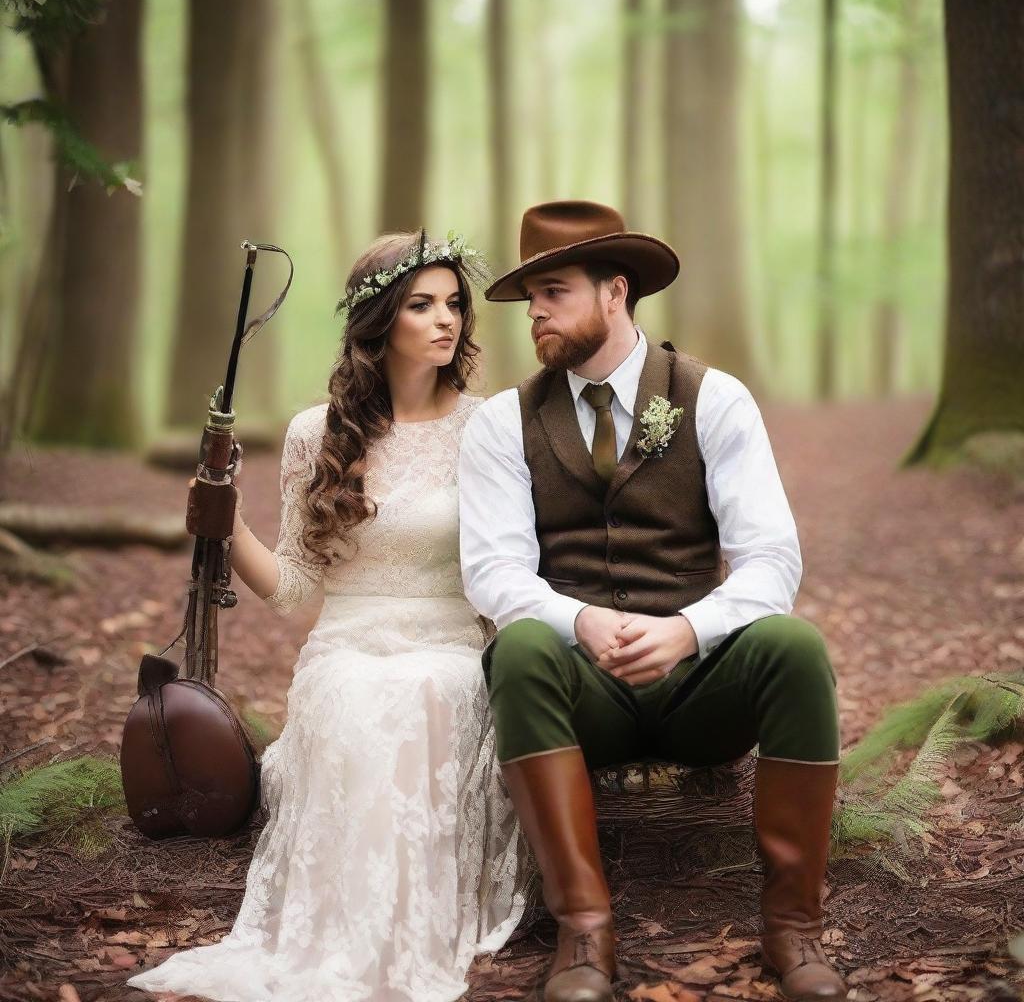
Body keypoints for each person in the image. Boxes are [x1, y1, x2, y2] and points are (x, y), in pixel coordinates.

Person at [458, 200, 848, 1002]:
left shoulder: (716, 398)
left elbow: (772, 559)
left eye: (554, 291)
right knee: (521, 642)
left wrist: (688, 631)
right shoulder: (503, 422)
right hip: (579, 692)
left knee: (796, 645)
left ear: (615, 292)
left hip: (698, 688)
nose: (534, 312)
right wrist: (580, 620)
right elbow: (493, 572)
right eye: (529, 297)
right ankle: (584, 931)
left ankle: (793, 928)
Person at [127, 229, 530, 1002]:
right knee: (350, 699)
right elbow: (295, 587)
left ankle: (399, 935)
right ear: (380, 321)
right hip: (345, 638)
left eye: (454, 304)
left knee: (420, 695)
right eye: (422, 305)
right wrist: (225, 523)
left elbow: (505, 568)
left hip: (447, 637)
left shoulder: (488, 425)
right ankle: (336, 938)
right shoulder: (318, 433)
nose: (446, 320)